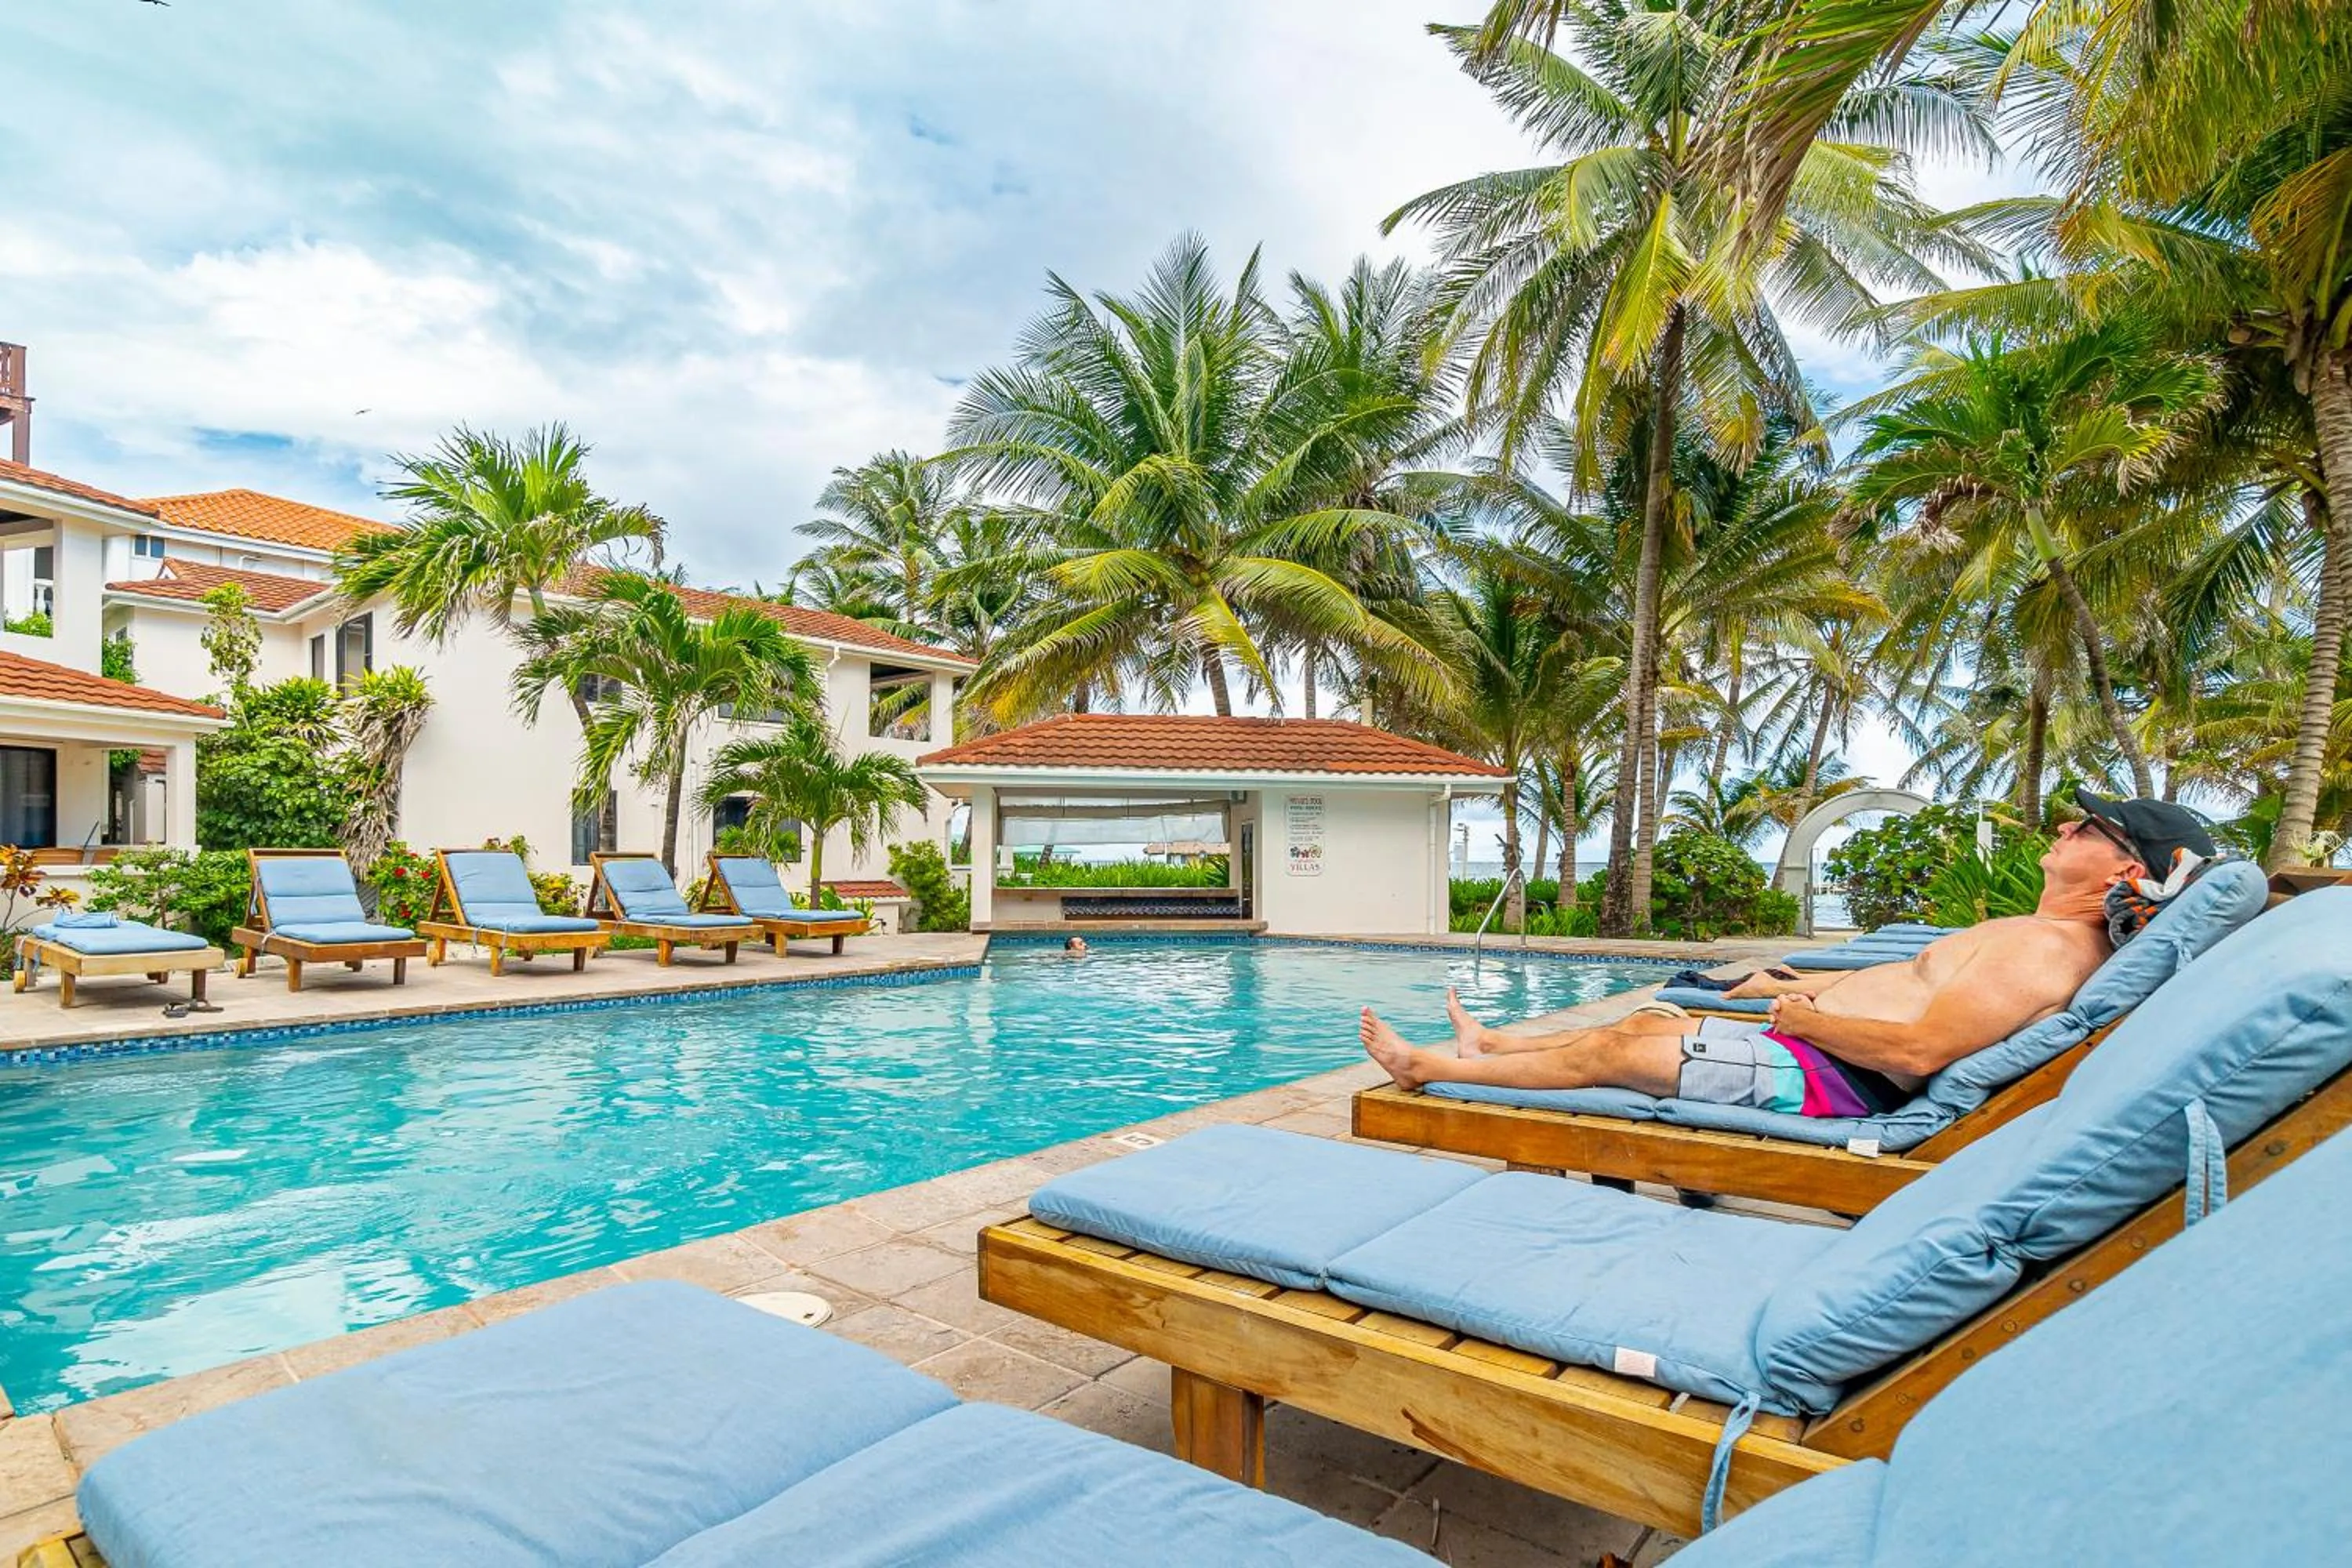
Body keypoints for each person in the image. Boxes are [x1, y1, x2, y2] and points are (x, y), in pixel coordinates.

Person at [1362, 795, 2216, 1118]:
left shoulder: (2044, 955)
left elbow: (1920, 1052)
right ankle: (1497, 1046)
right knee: (1652, 1014)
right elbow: (1911, 990)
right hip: (1814, 1048)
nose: (2066, 828)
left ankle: (1428, 1070)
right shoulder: (2031, 931)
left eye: (2088, 828)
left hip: (1835, 1079)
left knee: (1617, 1047)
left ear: (2126, 869)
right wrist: (1804, 989)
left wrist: (1811, 1017)